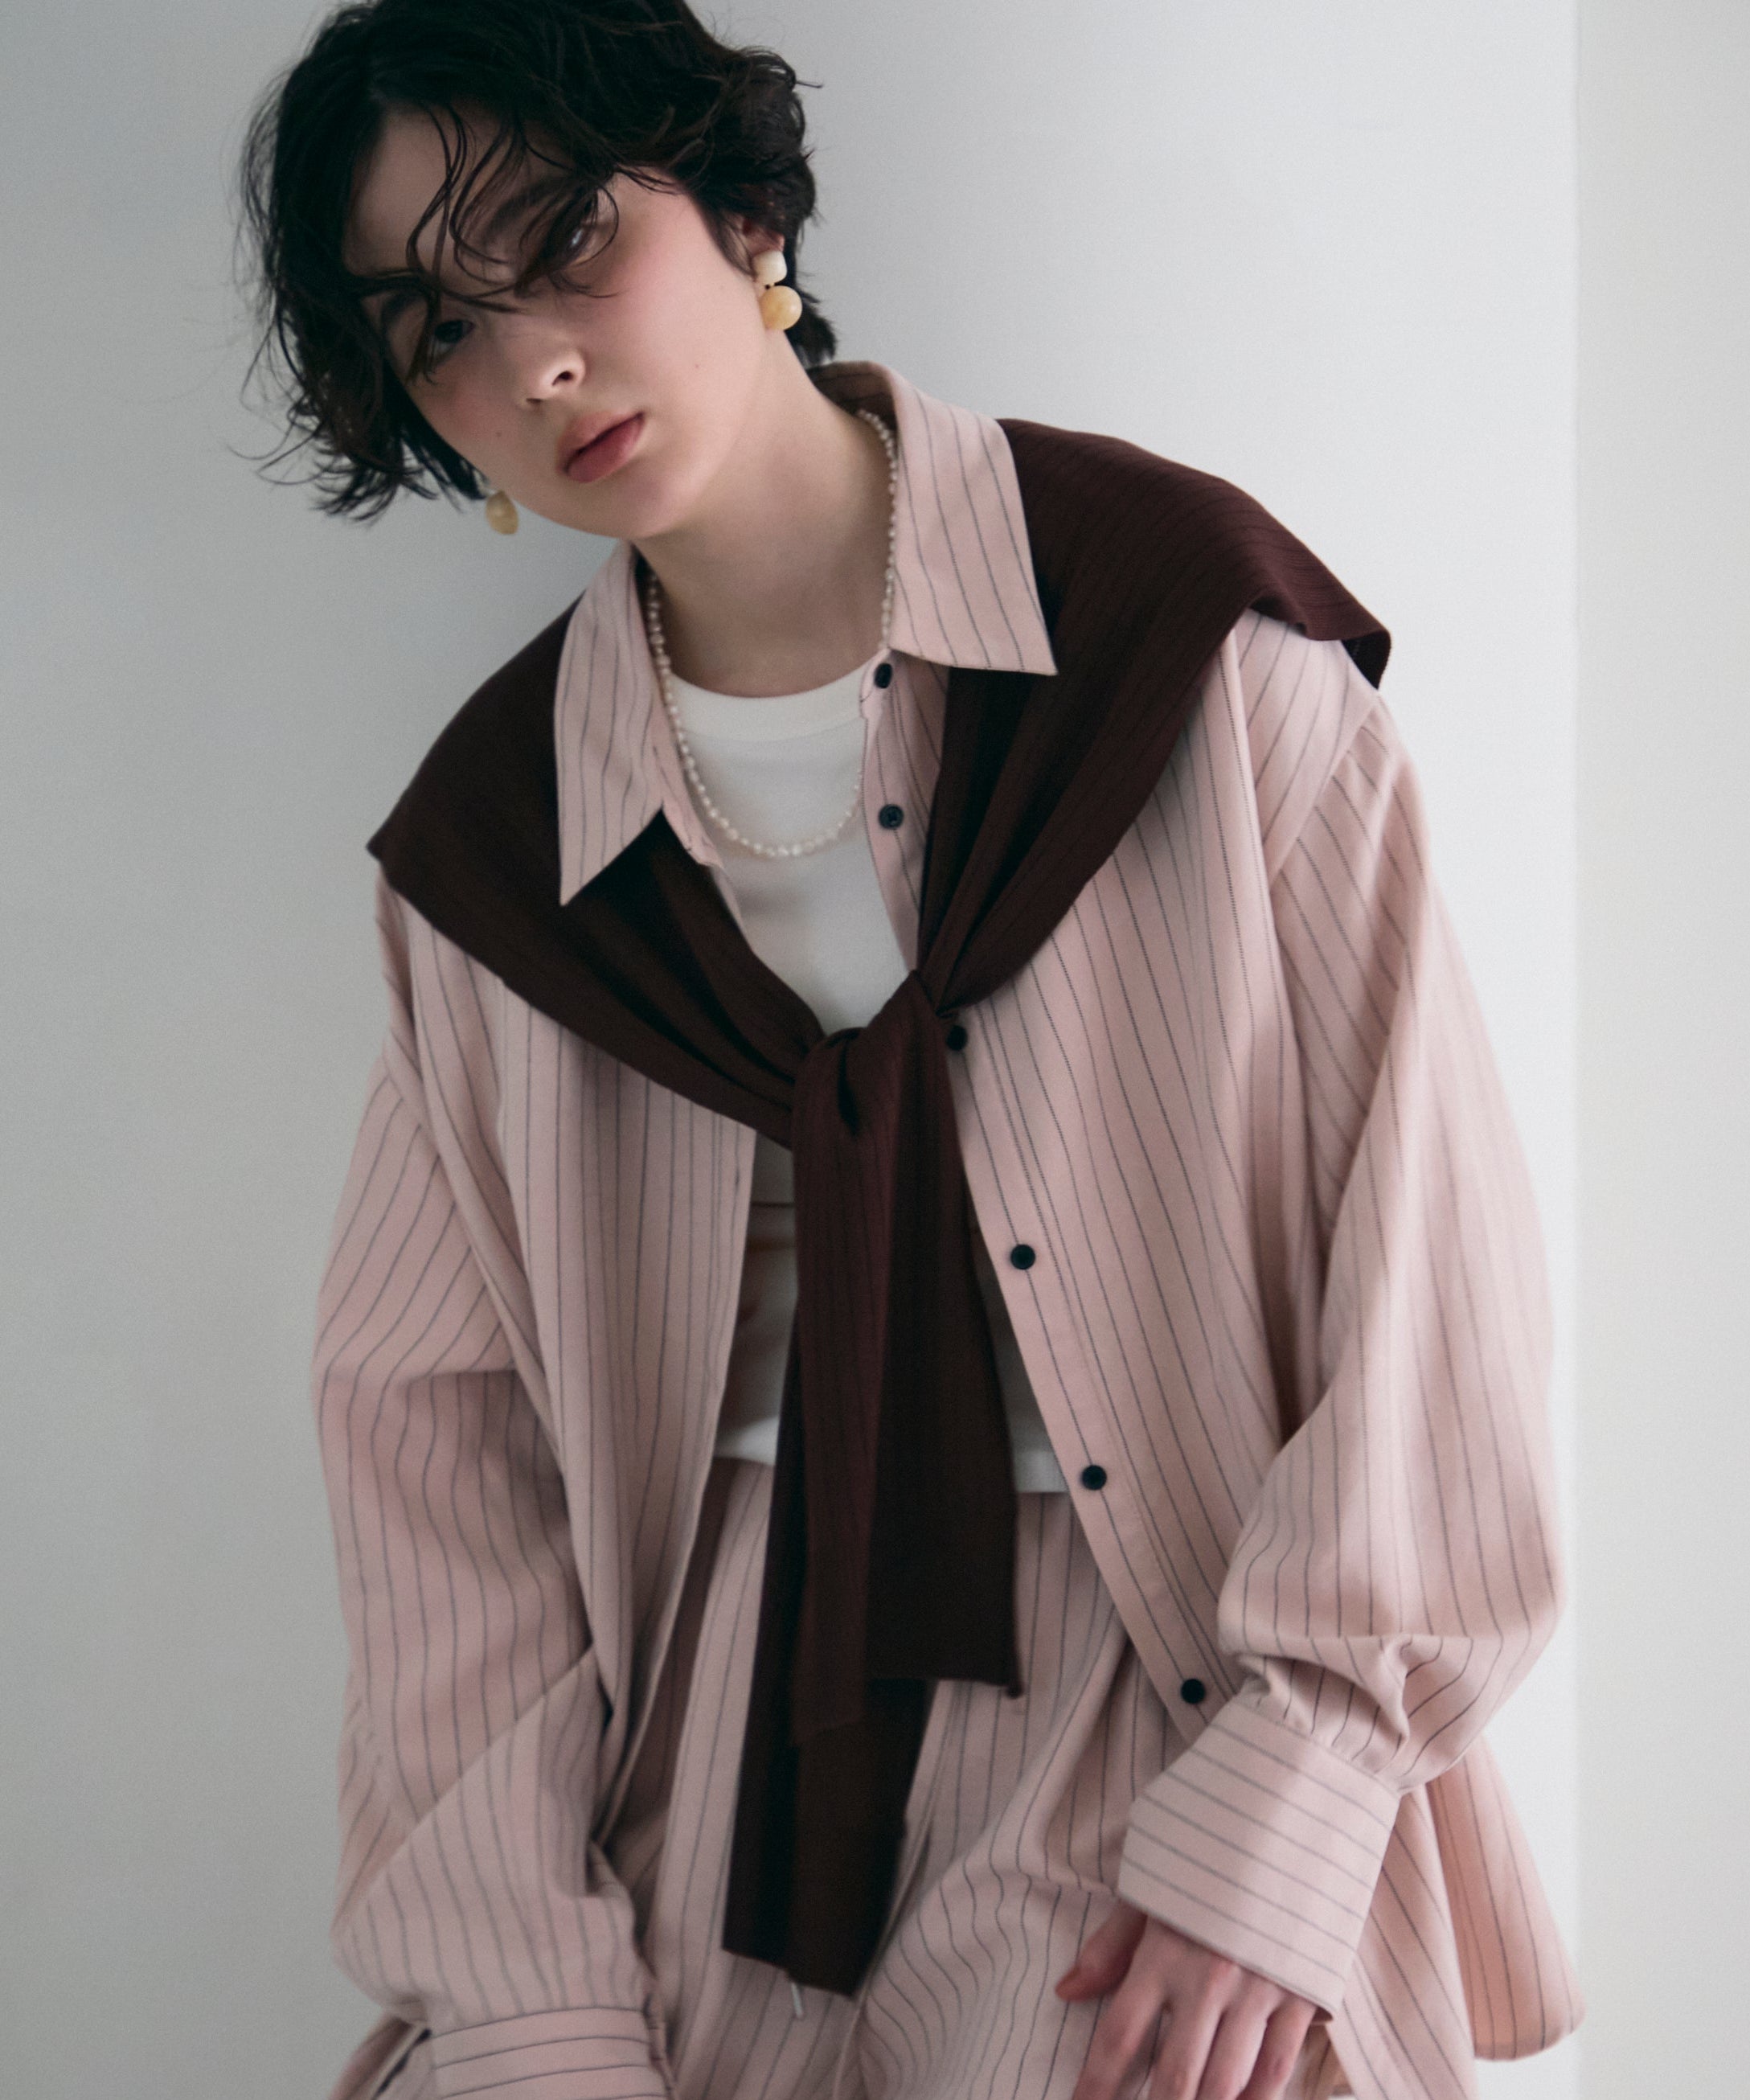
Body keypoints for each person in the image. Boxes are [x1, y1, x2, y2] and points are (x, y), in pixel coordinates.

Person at [236, 5, 1584, 2099]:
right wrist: (523, 1994)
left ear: (742, 208)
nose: (535, 367)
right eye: (442, 333)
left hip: (1167, 1696)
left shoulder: (1188, 638)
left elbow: (1425, 1263)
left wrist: (1294, 1794)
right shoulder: (496, 853)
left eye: (565, 242)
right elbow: (439, 1462)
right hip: (697, 1772)